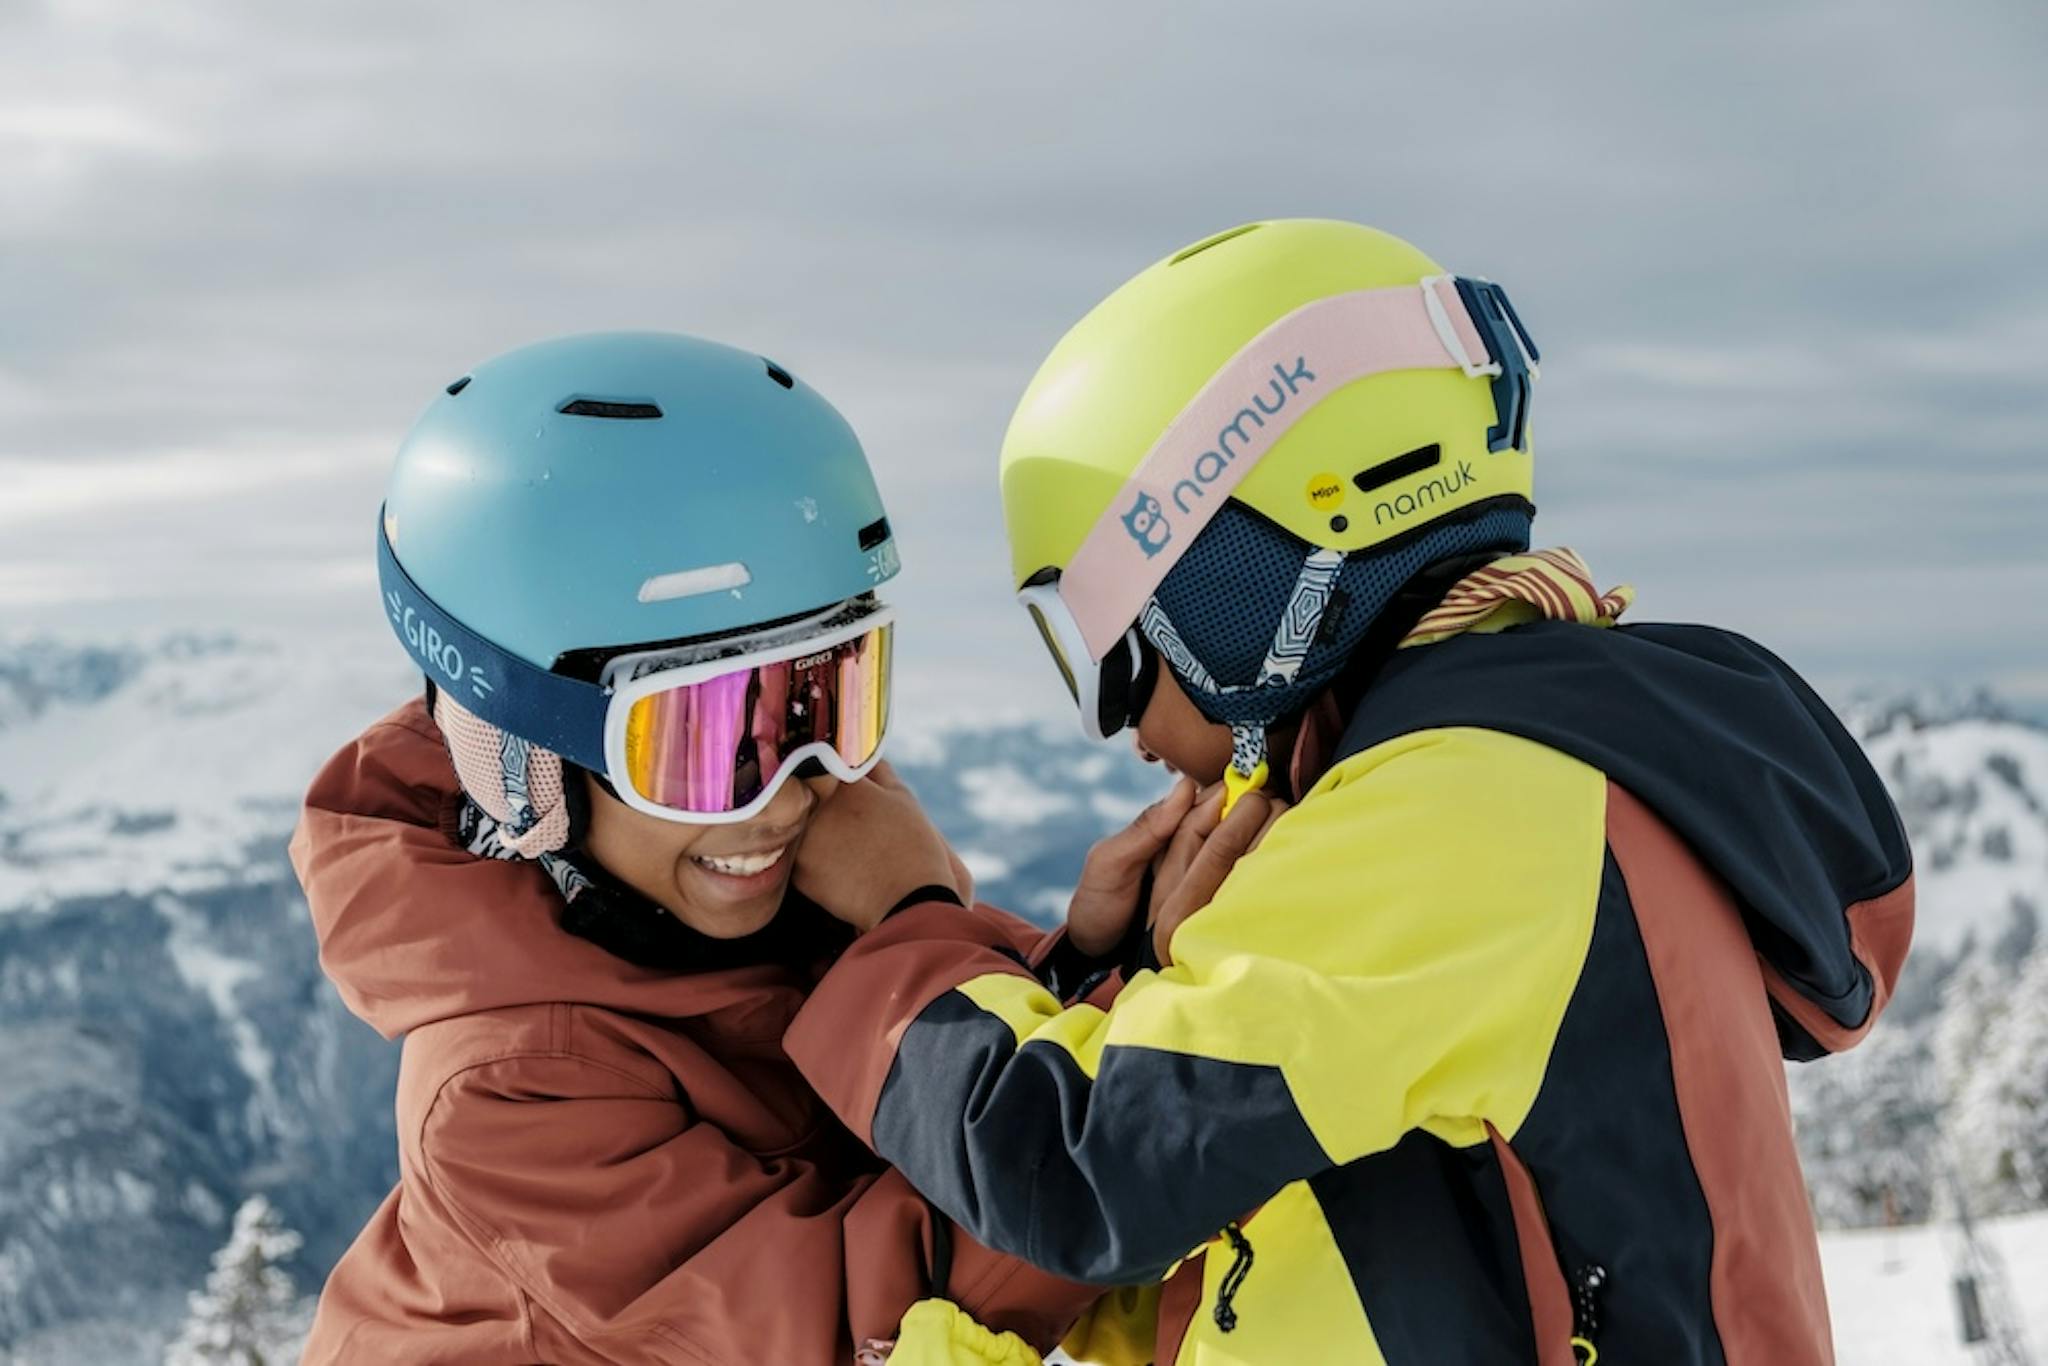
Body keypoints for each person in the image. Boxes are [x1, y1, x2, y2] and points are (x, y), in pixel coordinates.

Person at [781, 220, 1916, 1364]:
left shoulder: (1467, 811)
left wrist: (908, 925)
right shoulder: (1523, 773)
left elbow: (1081, 1170)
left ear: (1235, 581)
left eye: (1113, 648)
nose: (1125, 730)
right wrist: (1116, 976)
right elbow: (1278, 1245)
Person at [289, 332, 1102, 1364]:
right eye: (702, 738)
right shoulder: (509, 1090)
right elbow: (868, 1321)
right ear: (528, 764)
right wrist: (920, 926)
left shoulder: (766, 903)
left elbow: (975, 1110)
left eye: (827, 700)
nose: (780, 795)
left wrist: (1094, 962)